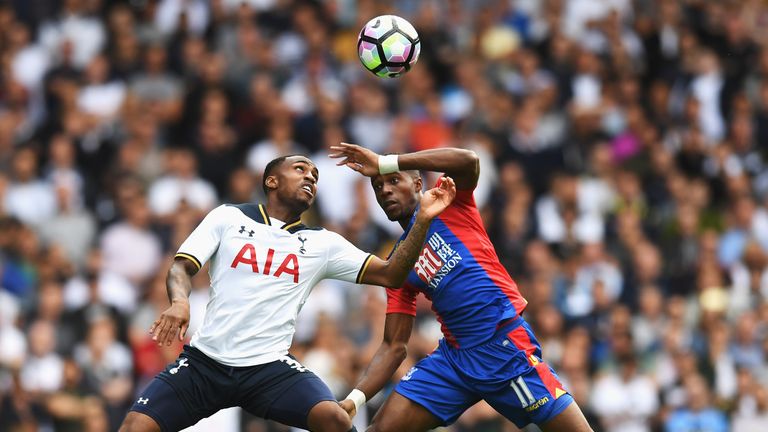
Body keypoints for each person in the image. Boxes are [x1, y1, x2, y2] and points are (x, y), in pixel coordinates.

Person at [119, 154, 456, 432]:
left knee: (335, 420)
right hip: (206, 363)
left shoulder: (323, 243)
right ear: (271, 181)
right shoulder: (228, 217)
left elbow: (393, 273)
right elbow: (181, 267)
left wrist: (423, 219)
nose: (310, 177)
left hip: (269, 369)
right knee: (135, 426)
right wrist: (179, 301)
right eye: (300, 169)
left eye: (315, 175)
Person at [330, 144, 593, 431]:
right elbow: (394, 345)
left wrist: (385, 162)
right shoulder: (397, 264)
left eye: (394, 180)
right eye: (378, 186)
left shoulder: (450, 201)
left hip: (503, 347)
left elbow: (468, 160)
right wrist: (353, 402)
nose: (385, 190)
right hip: (453, 362)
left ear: (418, 184)